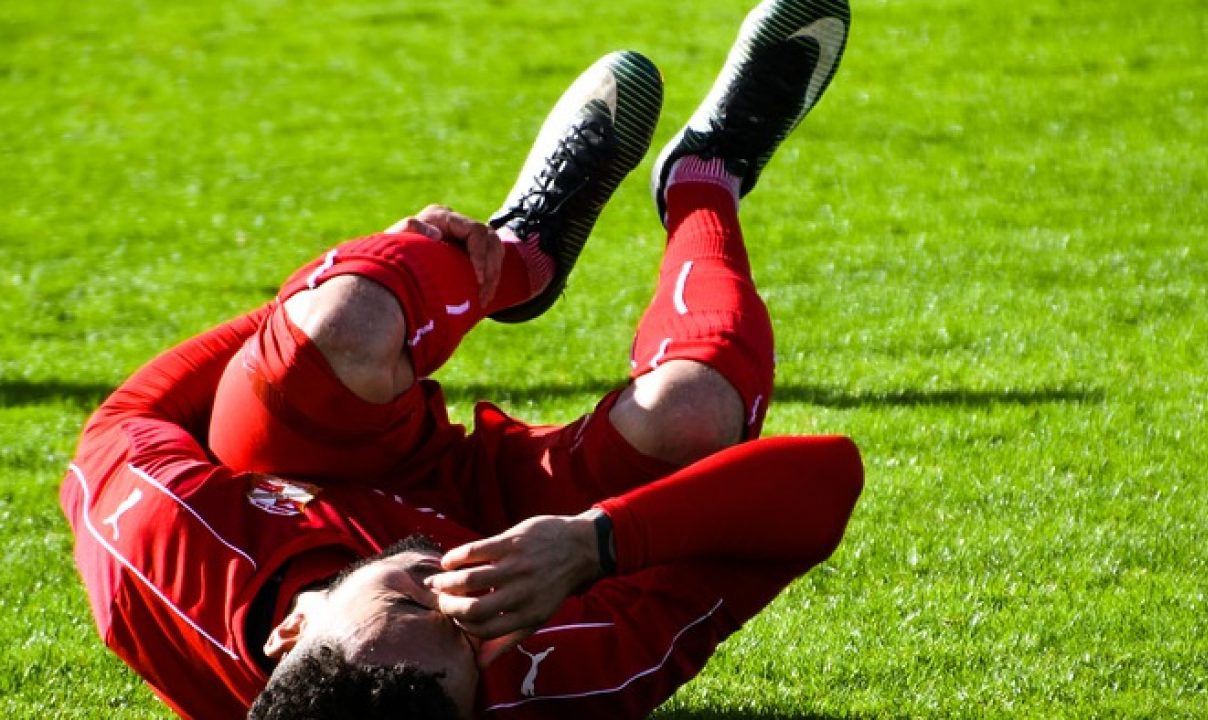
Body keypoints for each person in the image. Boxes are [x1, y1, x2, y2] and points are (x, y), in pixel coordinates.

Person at [59, 1, 861, 718]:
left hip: (295, 463)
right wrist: (595, 544)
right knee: (695, 413)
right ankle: (706, 175)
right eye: (471, 640)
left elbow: (122, 423)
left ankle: (517, 255)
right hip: (512, 516)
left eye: (412, 607)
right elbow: (825, 481)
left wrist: (393, 272)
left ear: (294, 628)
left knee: (342, 326)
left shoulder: (166, 561)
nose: (453, 589)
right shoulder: (559, 679)